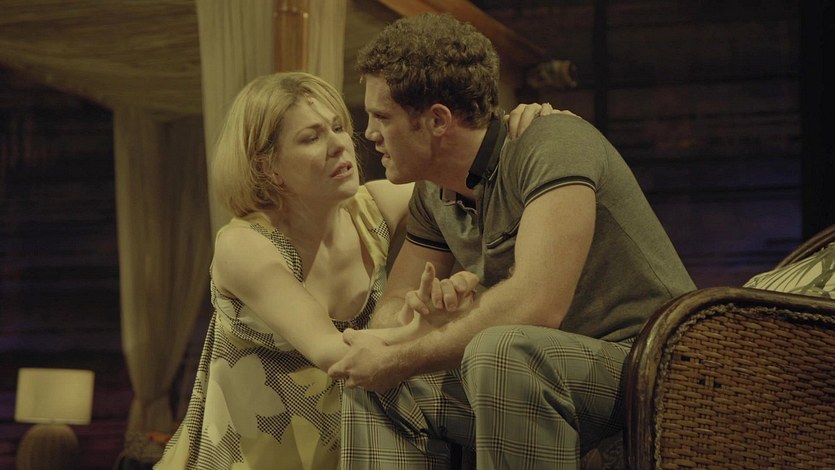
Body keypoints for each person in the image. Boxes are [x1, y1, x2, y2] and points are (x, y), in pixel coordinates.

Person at [328, 13, 697, 469]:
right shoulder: (432, 193)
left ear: (437, 120)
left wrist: (402, 356)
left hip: (652, 361)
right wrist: (414, 323)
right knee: (374, 382)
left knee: (500, 351)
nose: (369, 133)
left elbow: (536, 304)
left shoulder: (551, 143)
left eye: (382, 116)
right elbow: (393, 305)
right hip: (541, 369)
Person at [153, 71, 553, 469]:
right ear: (268, 167)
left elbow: (462, 170)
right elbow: (334, 353)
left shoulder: (371, 208)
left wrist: (534, 133)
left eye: (338, 127)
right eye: (311, 138)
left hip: (350, 454)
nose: (339, 145)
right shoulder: (244, 245)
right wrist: (428, 328)